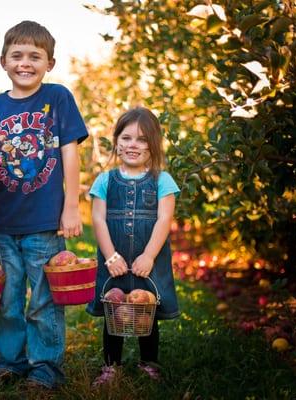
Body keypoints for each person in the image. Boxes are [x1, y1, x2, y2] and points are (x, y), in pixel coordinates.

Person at [0, 20, 89, 390]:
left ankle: (45, 367)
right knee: (7, 299)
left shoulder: (58, 99)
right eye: (17, 55)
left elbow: (69, 154)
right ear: (3, 61)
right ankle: (11, 360)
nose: (26, 62)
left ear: (50, 63)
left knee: (43, 300)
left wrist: (71, 206)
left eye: (35, 56)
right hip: (4, 223)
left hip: (45, 223)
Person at [85, 107, 180, 387]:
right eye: (126, 138)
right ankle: (110, 365)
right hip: (115, 259)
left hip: (146, 261)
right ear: (116, 141)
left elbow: (164, 219)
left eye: (141, 139)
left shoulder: (162, 180)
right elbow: (98, 220)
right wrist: (110, 256)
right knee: (113, 307)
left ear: (153, 144)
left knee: (146, 310)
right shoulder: (105, 180)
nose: (132, 145)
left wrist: (149, 255)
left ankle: (149, 362)